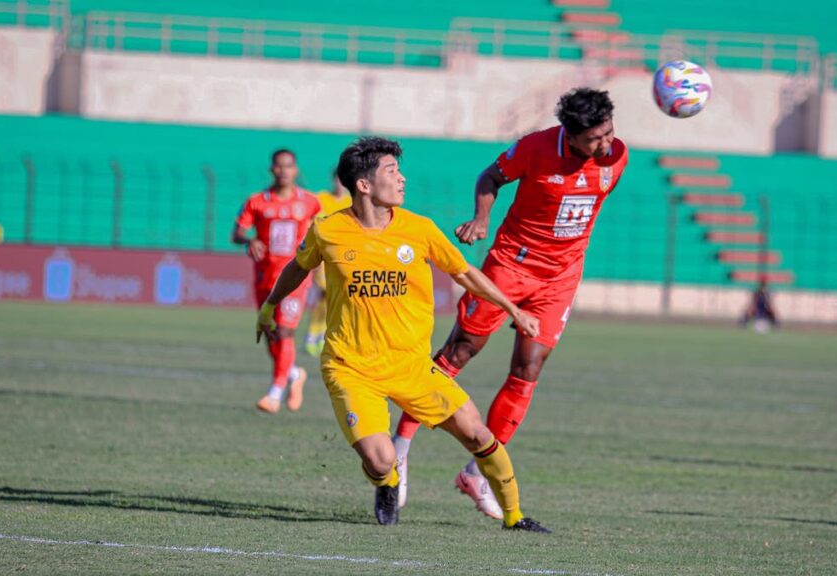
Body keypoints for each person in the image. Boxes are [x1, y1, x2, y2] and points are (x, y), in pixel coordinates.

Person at [256, 136, 549, 532]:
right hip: (351, 367)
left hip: (411, 366)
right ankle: (388, 482)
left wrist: (514, 309)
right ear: (363, 185)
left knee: (477, 432)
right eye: (392, 172)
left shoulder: (420, 229)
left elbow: (465, 273)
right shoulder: (328, 230)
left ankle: (515, 518)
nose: (402, 179)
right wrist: (271, 306)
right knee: (379, 460)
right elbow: (298, 266)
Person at [389, 87, 629, 518]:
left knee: (529, 367)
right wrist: (482, 219)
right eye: (595, 138)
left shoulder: (616, 158)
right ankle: (399, 449)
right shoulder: (536, 148)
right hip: (511, 266)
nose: (605, 143)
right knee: (459, 352)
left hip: (561, 279)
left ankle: (477, 473)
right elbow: (490, 177)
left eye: (609, 132)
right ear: (570, 134)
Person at [233, 149, 321, 414]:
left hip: (296, 277)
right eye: (279, 166)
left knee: (284, 330)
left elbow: (321, 232)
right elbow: (237, 232)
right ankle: (294, 374)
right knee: (271, 333)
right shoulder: (257, 201)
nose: (284, 171)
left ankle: (275, 391)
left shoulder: (309, 202)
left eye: (289, 166)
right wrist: (250, 240)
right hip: (265, 277)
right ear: (272, 170)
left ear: (296, 170)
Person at [303, 171, 352, 357]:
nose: (340, 184)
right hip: (323, 255)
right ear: (333, 181)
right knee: (324, 294)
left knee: (334, 299)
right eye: (337, 180)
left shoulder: (351, 201)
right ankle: (312, 336)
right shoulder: (321, 198)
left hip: (343, 256)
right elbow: (310, 222)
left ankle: (322, 335)